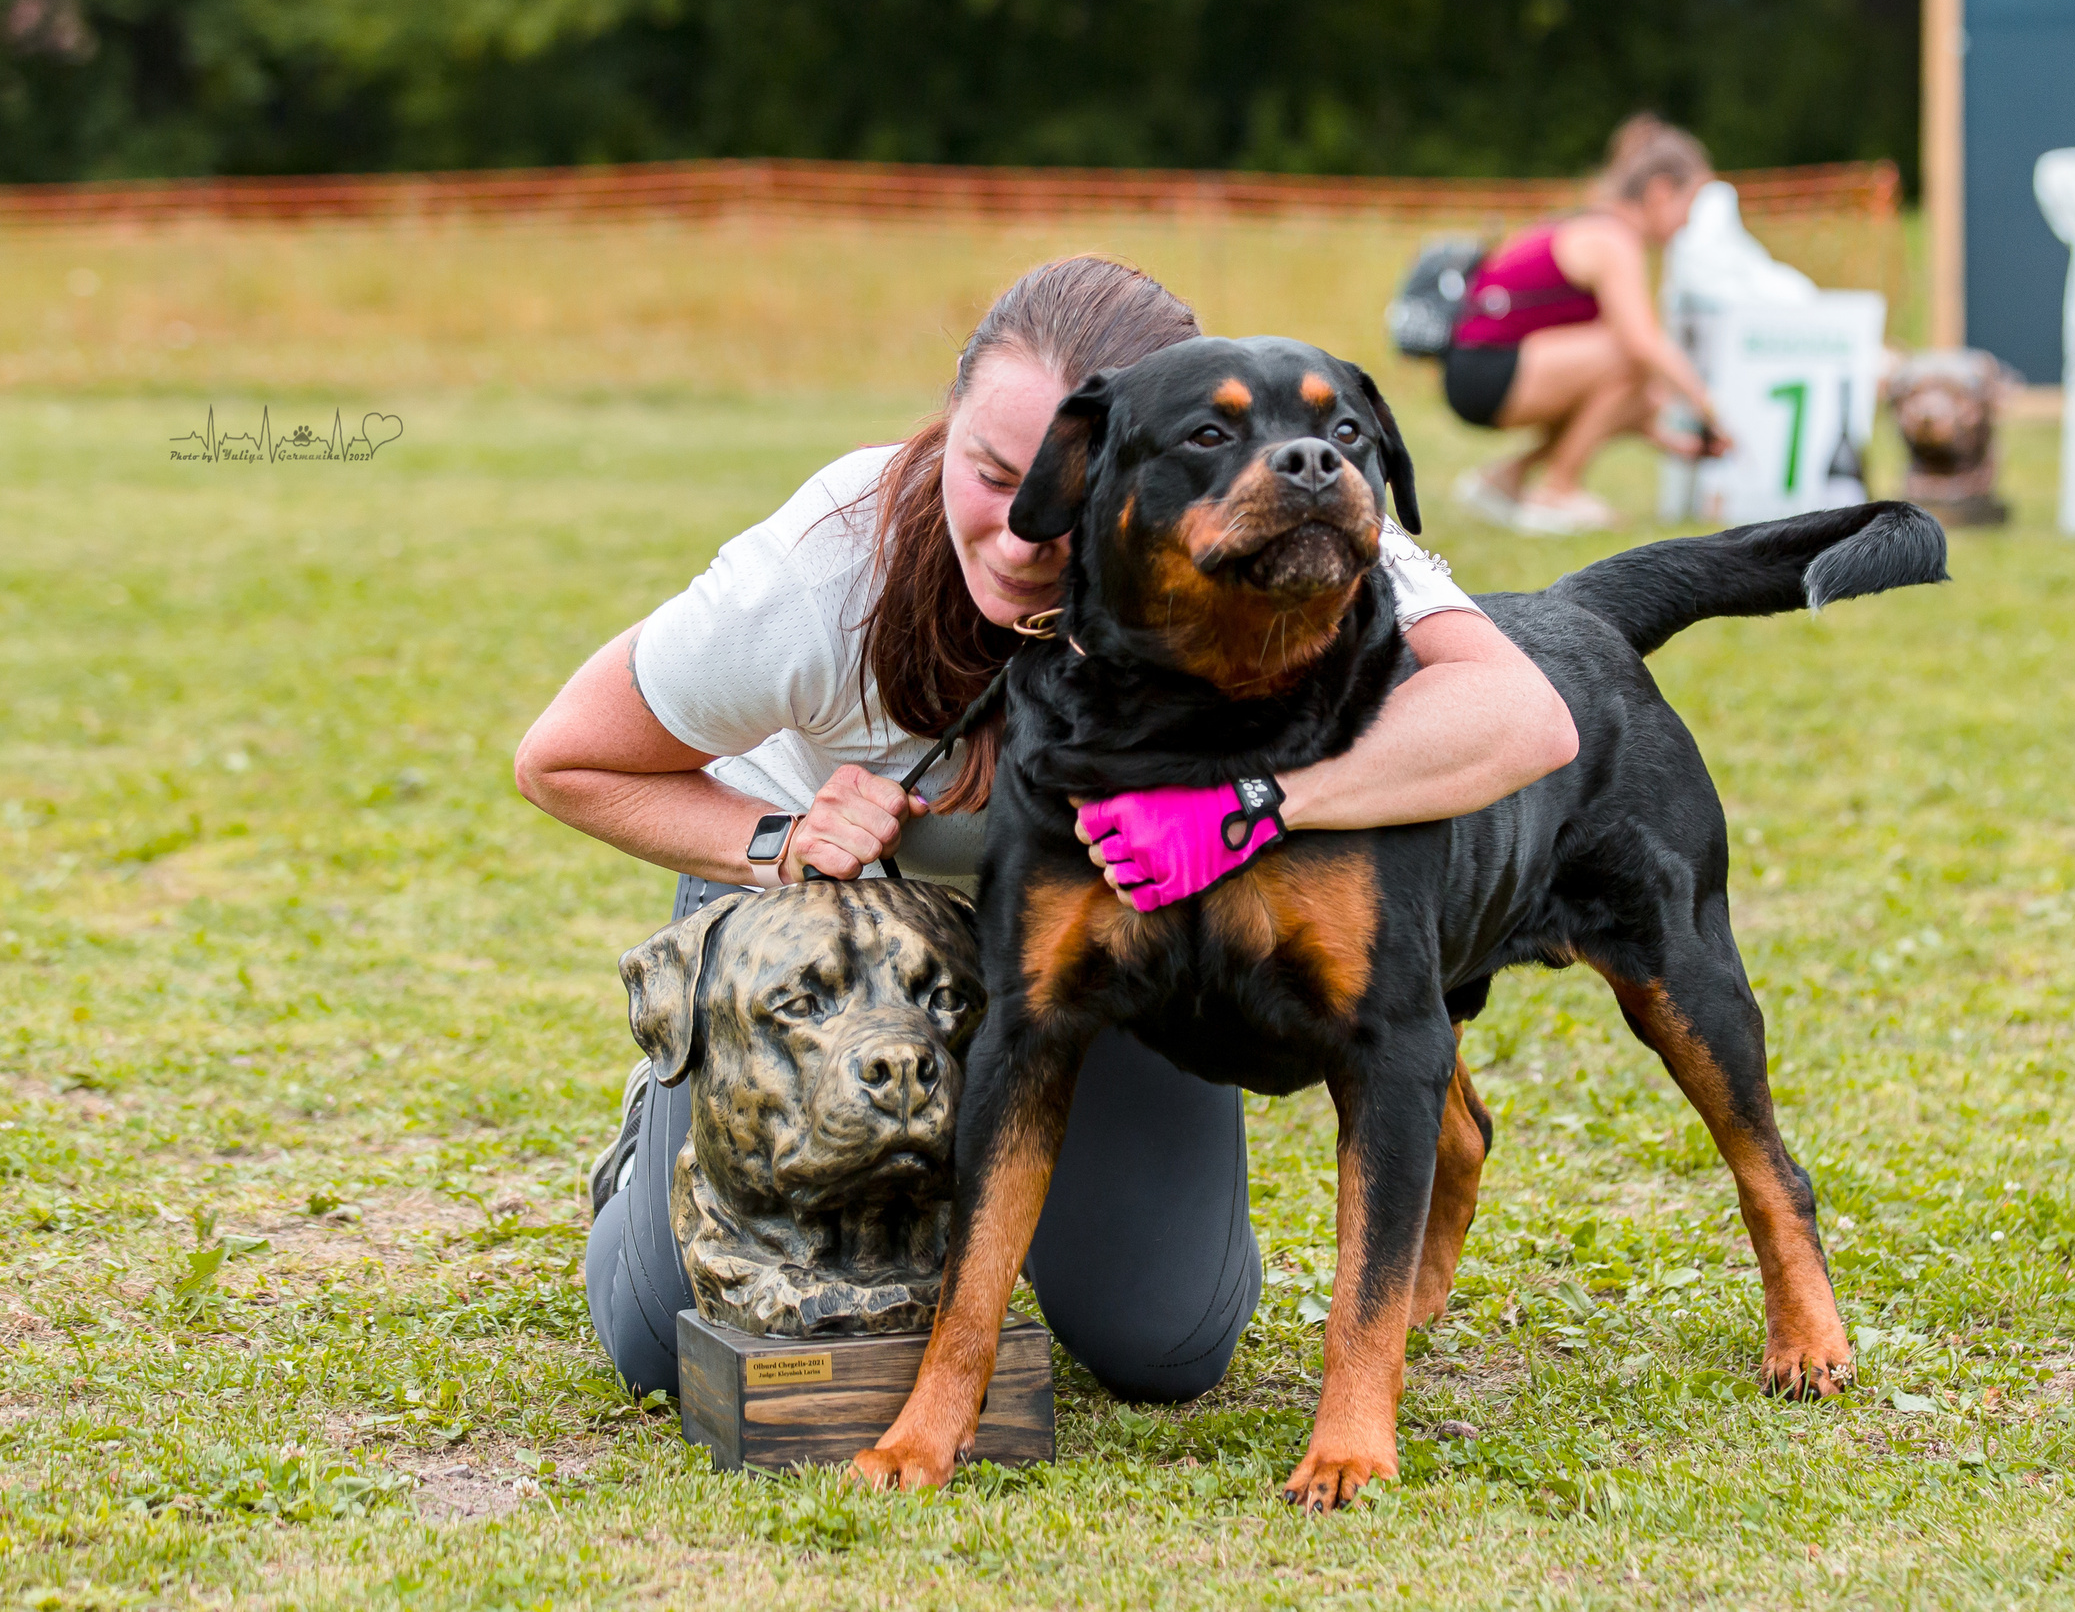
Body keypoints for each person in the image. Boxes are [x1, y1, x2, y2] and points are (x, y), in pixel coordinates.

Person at [515, 256, 1580, 1403]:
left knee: (1163, 1348)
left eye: (1057, 493)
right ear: (947, 428)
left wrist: (1253, 808)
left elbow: (1524, 716)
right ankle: (667, 1120)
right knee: (653, 1343)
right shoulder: (821, 563)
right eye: (987, 472)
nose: (1023, 535)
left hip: (1116, 938)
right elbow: (562, 757)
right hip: (824, 927)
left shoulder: (1270, 510)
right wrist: (777, 841)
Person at [1443, 115, 1731, 536]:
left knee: (1636, 382)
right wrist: (1709, 405)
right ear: (1660, 191)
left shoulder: (1590, 222)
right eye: (1689, 206)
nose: (1688, 223)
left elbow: (1626, 399)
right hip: (1485, 370)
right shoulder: (1613, 239)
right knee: (1629, 356)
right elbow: (1641, 346)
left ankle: (1504, 480)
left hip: (1475, 369)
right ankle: (1557, 492)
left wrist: (1674, 437)